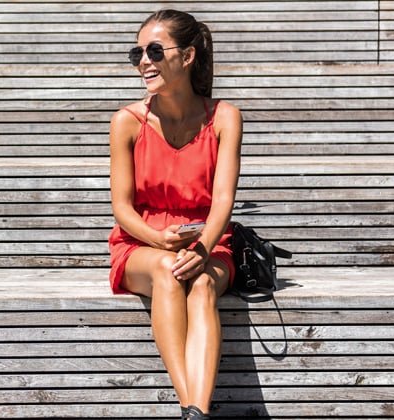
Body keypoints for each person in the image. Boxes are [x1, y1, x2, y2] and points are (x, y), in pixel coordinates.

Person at [107, 9, 243, 420]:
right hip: (141, 244)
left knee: (200, 285)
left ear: (186, 57)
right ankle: (194, 409)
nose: (144, 61)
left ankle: (194, 413)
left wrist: (202, 247)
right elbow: (121, 208)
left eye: (154, 50)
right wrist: (158, 238)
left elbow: (223, 201)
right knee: (168, 269)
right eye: (137, 54)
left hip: (210, 241)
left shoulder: (224, 117)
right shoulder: (126, 122)